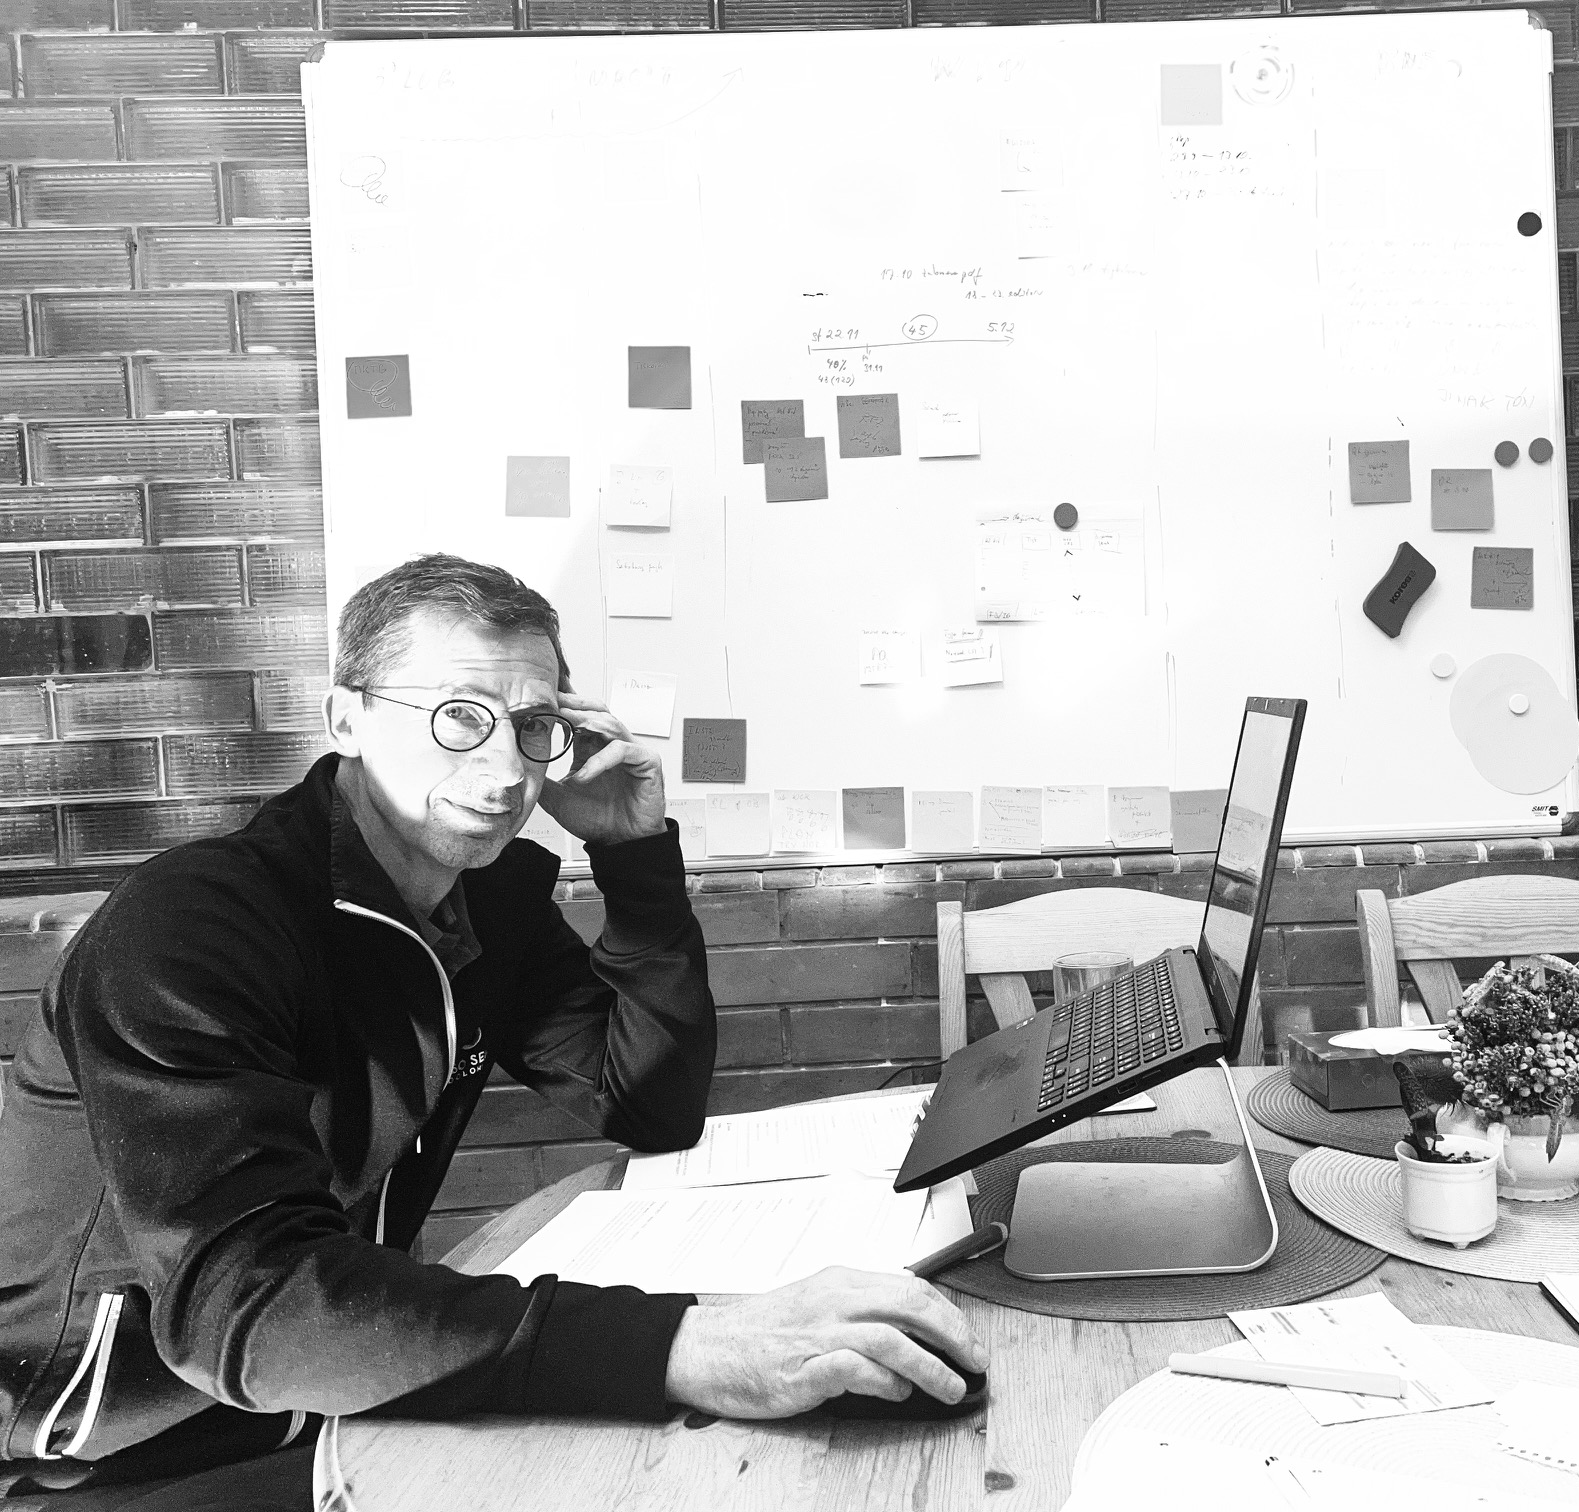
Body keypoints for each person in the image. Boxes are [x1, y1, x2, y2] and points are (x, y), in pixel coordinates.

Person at [0, 555, 984, 1508]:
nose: (509, 768)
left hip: (331, 1389)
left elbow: (647, 1104)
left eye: (534, 724)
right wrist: (686, 1345)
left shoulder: (486, 900)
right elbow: (243, 1303)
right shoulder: (194, 926)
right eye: (461, 717)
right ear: (346, 718)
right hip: (110, 1451)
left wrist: (633, 854)